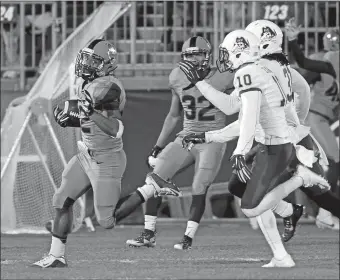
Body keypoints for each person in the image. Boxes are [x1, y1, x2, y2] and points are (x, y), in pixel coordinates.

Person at [179, 29, 329, 267]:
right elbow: (235, 111)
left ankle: (301, 180)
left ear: (240, 51)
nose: (224, 58)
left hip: (276, 147)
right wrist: (208, 133)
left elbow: (248, 118)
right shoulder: (258, 70)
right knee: (242, 191)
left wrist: (239, 150)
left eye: (228, 52)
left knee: (250, 207)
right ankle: (282, 249)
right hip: (275, 144)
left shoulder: (249, 73)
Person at [33, 39, 180, 268]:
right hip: (86, 154)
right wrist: (69, 117)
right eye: (88, 58)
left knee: (107, 221)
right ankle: (56, 256)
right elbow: (86, 117)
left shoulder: (110, 87)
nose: (87, 64)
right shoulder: (87, 83)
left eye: (94, 60)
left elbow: (116, 129)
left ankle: (151, 187)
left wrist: (87, 112)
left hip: (107, 159)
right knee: (61, 200)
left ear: (106, 64)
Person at [126, 36, 234, 250]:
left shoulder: (225, 76)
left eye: (197, 54)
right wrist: (158, 145)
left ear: (207, 56)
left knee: (198, 185)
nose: (193, 59)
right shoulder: (177, 76)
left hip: (212, 139)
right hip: (186, 137)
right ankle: (148, 234)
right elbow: (173, 115)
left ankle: (188, 238)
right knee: (157, 177)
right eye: (188, 55)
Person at [285, 18, 340, 229]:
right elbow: (304, 66)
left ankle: (318, 212)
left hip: (317, 117)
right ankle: (325, 213)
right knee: (333, 162)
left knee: (304, 166)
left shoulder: (328, 65)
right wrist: (292, 40)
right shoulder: (327, 64)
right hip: (313, 118)